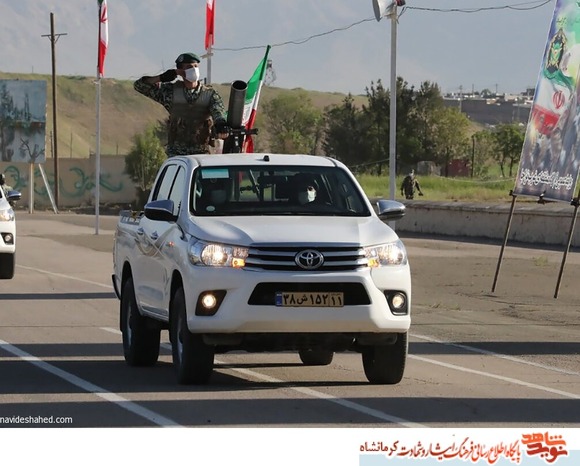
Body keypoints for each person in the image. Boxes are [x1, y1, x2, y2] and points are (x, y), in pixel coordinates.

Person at [133, 52, 229, 156]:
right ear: (180, 71)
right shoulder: (170, 92)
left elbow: (218, 112)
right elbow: (139, 86)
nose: (194, 70)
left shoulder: (209, 94)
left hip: (201, 153)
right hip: (176, 155)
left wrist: (221, 124)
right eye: (189, 67)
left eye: (196, 66)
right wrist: (162, 77)